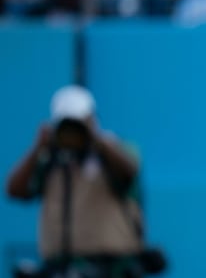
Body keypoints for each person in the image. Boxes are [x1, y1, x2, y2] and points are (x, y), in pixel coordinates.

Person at [5, 85, 153, 277]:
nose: (72, 134)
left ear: (92, 119)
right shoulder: (50, 159)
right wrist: (37, 149)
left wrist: (96, 139)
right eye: (66, 126)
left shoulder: (114, 150)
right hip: (59, 267)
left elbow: (130, 171)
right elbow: (14, 190)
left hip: (110, 268)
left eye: (78, 125)